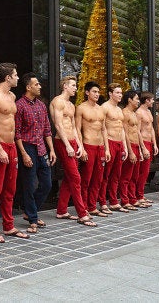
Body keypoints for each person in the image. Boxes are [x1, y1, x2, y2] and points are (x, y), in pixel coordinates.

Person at [0, 63, 30, 244]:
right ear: (8, 77)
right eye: (16, 75)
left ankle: (8, 225)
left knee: (10, 189)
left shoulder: (12, 96)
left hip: (11, 146)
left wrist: (13, 148)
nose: (18, 78)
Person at [50, 76, 95, 227]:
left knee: (70, 177)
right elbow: (58, 124)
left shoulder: (71, 105)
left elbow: (74, 127)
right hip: (62, 141)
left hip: (73, 141)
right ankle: (82, 214)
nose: (76, 88)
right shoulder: (58, 101)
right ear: (65, 86)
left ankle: (62, 210)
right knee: (76, 178)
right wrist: (67, 145)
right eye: (73, 85)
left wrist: (79, 146)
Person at [15, 73, 56, 233]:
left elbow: (47, 130)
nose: (40, 86)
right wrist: (24, 154)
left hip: (41, 148)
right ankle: (32, 217)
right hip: (27, 147)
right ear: (28, 87)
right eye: (36, 84)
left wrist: (51, 149)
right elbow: (17, 133)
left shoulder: (41, 105)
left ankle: (29, 209)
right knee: (29, 184)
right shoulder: (19, 105)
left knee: (47, 184)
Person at [75, 81, 110, 217]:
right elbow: (77, 129)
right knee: (86, 179)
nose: (97, 94)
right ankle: (83, 207)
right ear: (87, 92)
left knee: (98, 179)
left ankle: (92, 206)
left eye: (98, 92)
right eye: (94, 91)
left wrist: (107, 149)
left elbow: (104, 129)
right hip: (88, 145)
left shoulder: (101, 109)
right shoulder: (81, 108)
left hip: (100, 146)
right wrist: (81, 148)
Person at [98, 83, 129, 212]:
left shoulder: (119, 109)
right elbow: (102, 128)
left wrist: (125, 147)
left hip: (119, 143)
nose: (120, 95)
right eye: (117, 92)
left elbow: (121, 129)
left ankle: (113, 201)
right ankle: (102, 202)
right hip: (109, 142)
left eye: (121, 93)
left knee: (116, 174)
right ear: (110, 93)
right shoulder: (104, 107)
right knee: (105, 175)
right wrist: (106, 148)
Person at [119, 90, 151, 209]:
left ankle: (132, 198)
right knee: (126, 176)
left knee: (135, 175)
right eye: (137, 99)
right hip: (130, 146)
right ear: (129, 100)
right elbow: (125, 133)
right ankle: (125, 200)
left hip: (137, 145)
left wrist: (142, 148)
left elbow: (137, 132)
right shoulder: (125, 113)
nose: (138, 101)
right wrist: (130, 151)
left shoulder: (133, 113)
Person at [135, 92, 158, 205]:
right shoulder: (139, 113)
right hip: (143, 142)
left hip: (149, 142)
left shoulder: (148, 112)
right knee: (142, 171)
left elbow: (151, 129)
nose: (153, 102)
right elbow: (138, 131)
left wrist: (154, 143)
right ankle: (138, 196)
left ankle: (141, 195)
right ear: (147, 100)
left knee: (146, 171)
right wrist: (143, 147)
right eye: (152, 100)